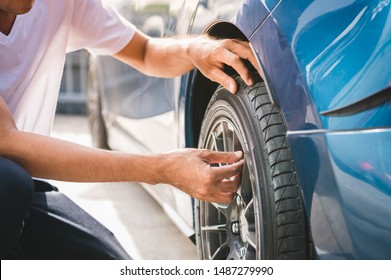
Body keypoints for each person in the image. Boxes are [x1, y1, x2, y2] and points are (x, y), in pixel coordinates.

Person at [0, 0, 257, 259]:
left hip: (24, 190)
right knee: (9, 181)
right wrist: (163, 168)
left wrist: (194, 49)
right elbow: (6, 141)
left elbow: (144, 51)